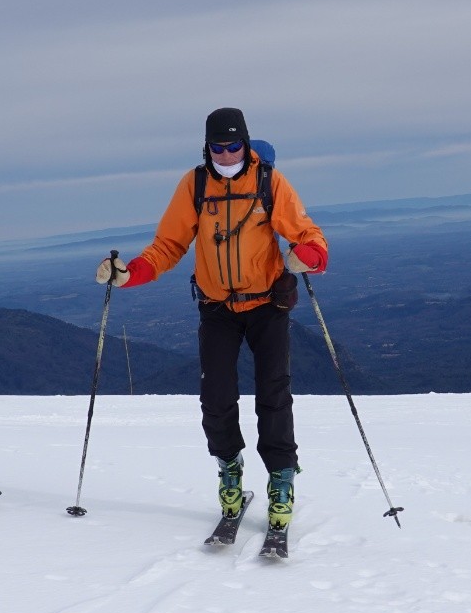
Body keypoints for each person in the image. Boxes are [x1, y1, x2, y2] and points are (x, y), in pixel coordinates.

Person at [96, 108, 328, 533]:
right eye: (217, 147)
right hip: (217, 307)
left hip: (267, 304)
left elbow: (308, 234)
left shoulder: (267, 181)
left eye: (233, 146)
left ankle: (281, 478)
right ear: (207, 147)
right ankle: (229, 468)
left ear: (246, 143)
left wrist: (309, 256)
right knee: (216, 397)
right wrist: (130, 274)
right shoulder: (195, 185)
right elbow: (168, 244)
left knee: (273, 393)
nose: (225, 155)